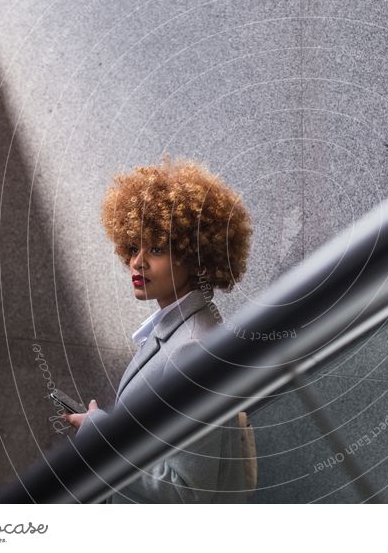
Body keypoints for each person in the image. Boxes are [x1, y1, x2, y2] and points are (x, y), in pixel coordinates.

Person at [64, 155, 255, 503]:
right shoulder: (181, 332)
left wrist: (97, 434)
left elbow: (184, 494)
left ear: (194, 254)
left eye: (156, 248)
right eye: (134, 247)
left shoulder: (193, 347)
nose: (138, 261)